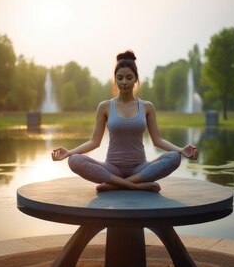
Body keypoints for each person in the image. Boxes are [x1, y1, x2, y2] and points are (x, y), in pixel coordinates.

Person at [51, 50, 198, 192]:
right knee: (74, 160)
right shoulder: (105, 107)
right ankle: (136, 185)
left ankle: (116, 185)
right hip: (111, 169)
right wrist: (69, 152)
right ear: (115, 79)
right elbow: (94, 142)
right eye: (119, 78)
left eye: (129, 77)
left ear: (136, 79)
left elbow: (158, 140)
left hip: (140, 168)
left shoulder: (147, 107)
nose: (124, 82)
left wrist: (181, 150)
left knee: (174, 157)